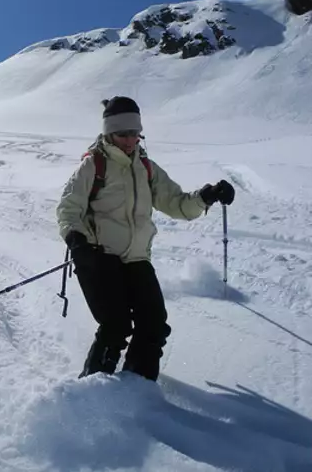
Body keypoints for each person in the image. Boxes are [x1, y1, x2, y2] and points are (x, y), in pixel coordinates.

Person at [56, 96, 235, 382]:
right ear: (108, 133)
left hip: (137, 258)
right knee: (115, 326)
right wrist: (78, 243)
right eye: (122, 134)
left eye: (134, 133)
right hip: (99, 257)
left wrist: (206, 196)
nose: (129, 140)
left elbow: (177, 203)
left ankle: (137, 391)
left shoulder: (146, 168)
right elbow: (69, 209)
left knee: (153, 325)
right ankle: (92, 393)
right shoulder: (93, 166)